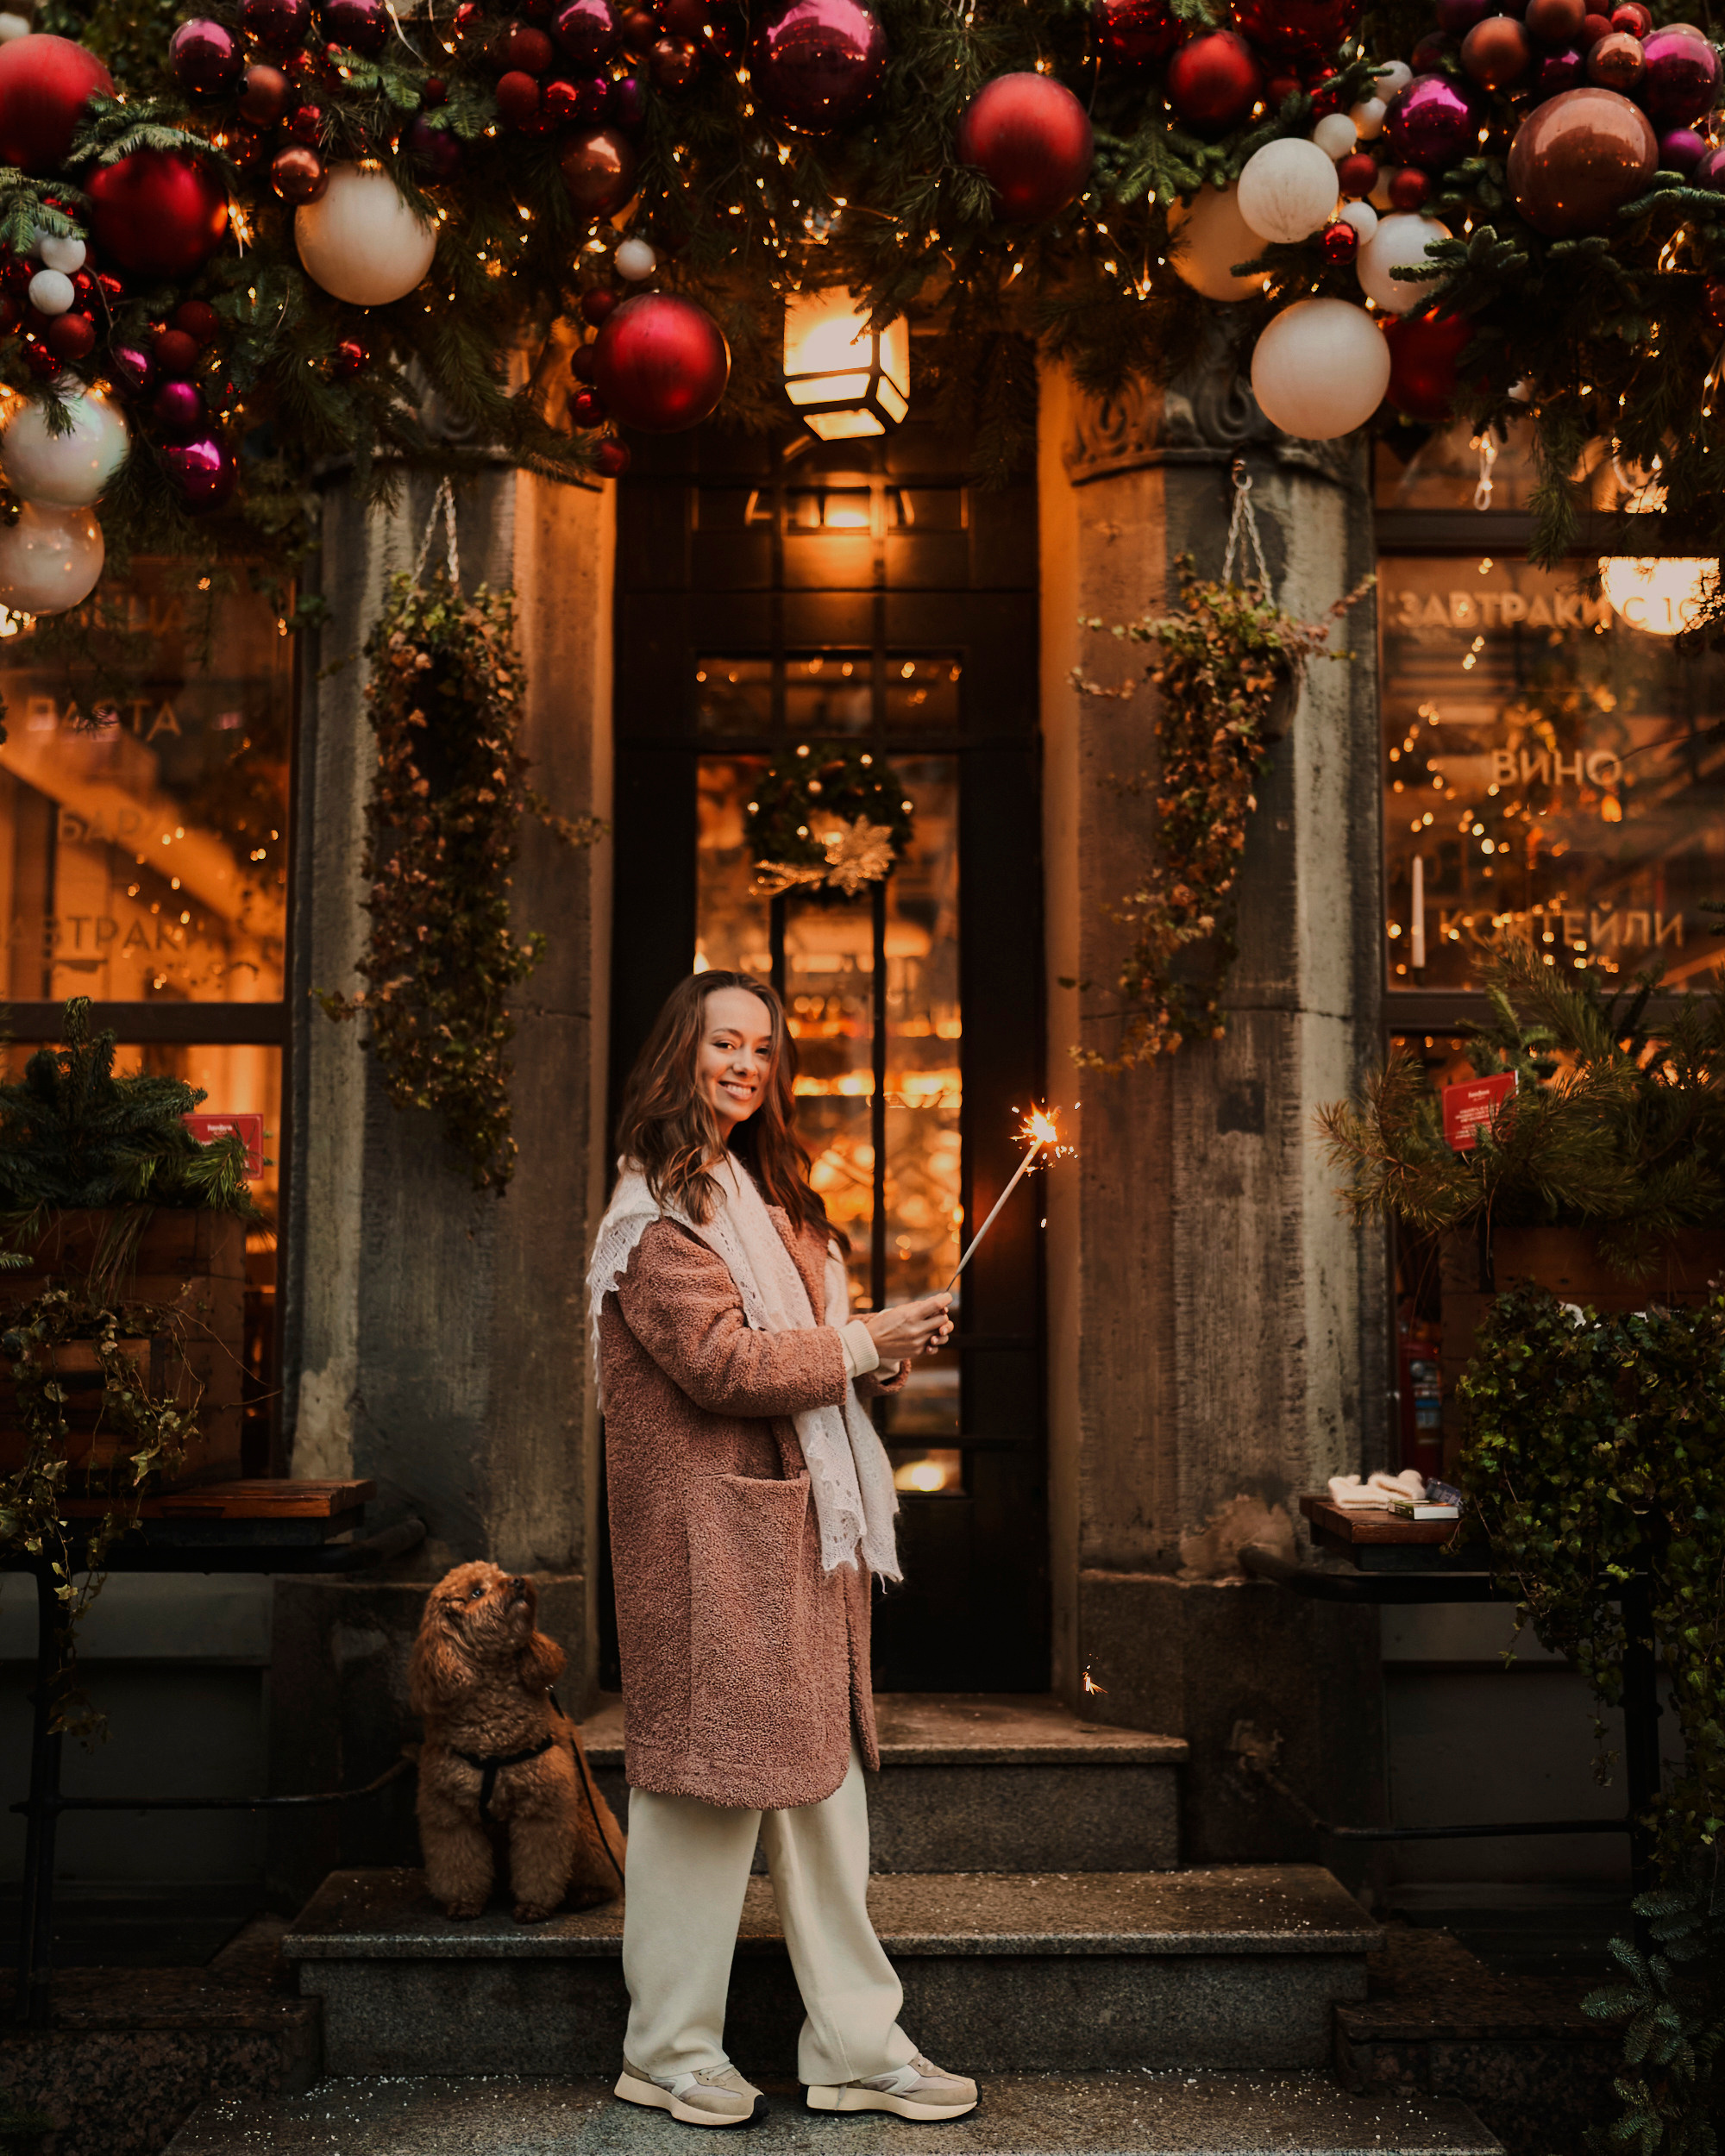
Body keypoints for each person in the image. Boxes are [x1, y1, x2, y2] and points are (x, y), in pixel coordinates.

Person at [587, 968, 975, 2129]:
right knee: (700, 1799)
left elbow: (796, 1348)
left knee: (824, 1800)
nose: (746, 1066)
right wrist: (863, 1341)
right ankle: (664, 2051)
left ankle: (855, 2046)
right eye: (723, 1045)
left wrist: (874, 1349)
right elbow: (724, 1365)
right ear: (678, 1055)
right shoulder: (654, 1212)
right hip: (710, 1547)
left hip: (798, 1540)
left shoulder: (757, 1190)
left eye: (762, 1048)